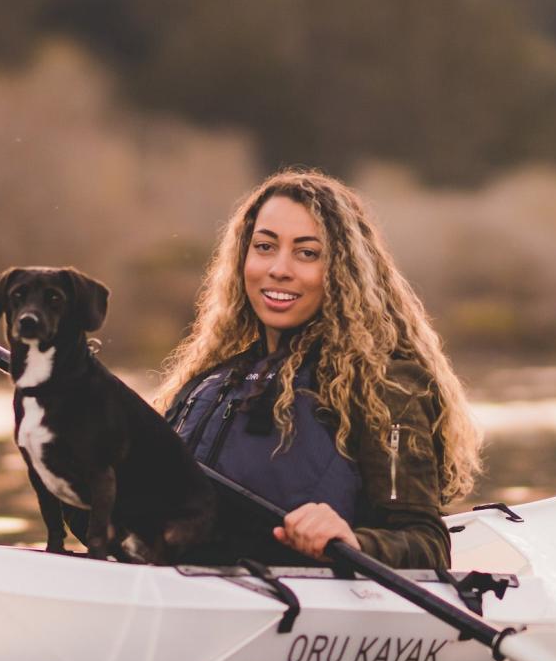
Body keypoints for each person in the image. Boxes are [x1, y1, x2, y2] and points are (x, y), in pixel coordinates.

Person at [154, 170, 483, 570]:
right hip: (185, 584)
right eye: (264, 247)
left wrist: (354, 542)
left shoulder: (387, 385)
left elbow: (427, 544)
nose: (279, 268)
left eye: (307, 253)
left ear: (341, 272)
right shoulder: (214, 379)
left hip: (308, 608)